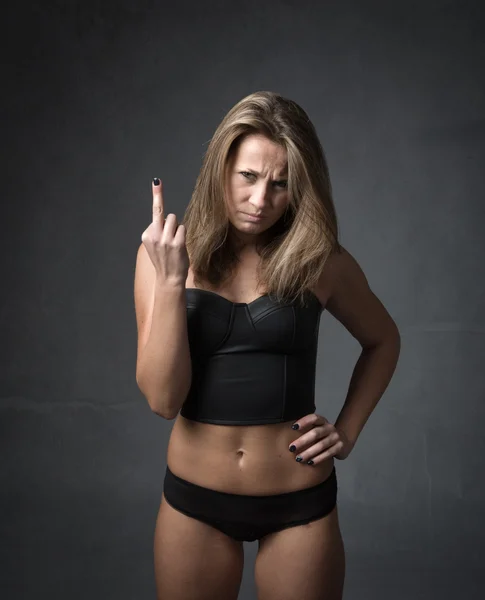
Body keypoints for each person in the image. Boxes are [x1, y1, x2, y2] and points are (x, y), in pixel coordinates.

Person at [134, 91, 401, 600]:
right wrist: (172, 283)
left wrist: (347, 431)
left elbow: (384, 340)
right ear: (221, 169)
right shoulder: (161, 256)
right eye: (249, 178)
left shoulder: (321, 261)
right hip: (195, 502)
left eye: (281, 185)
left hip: (298, 503)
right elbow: (163, 401)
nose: (261, 201)